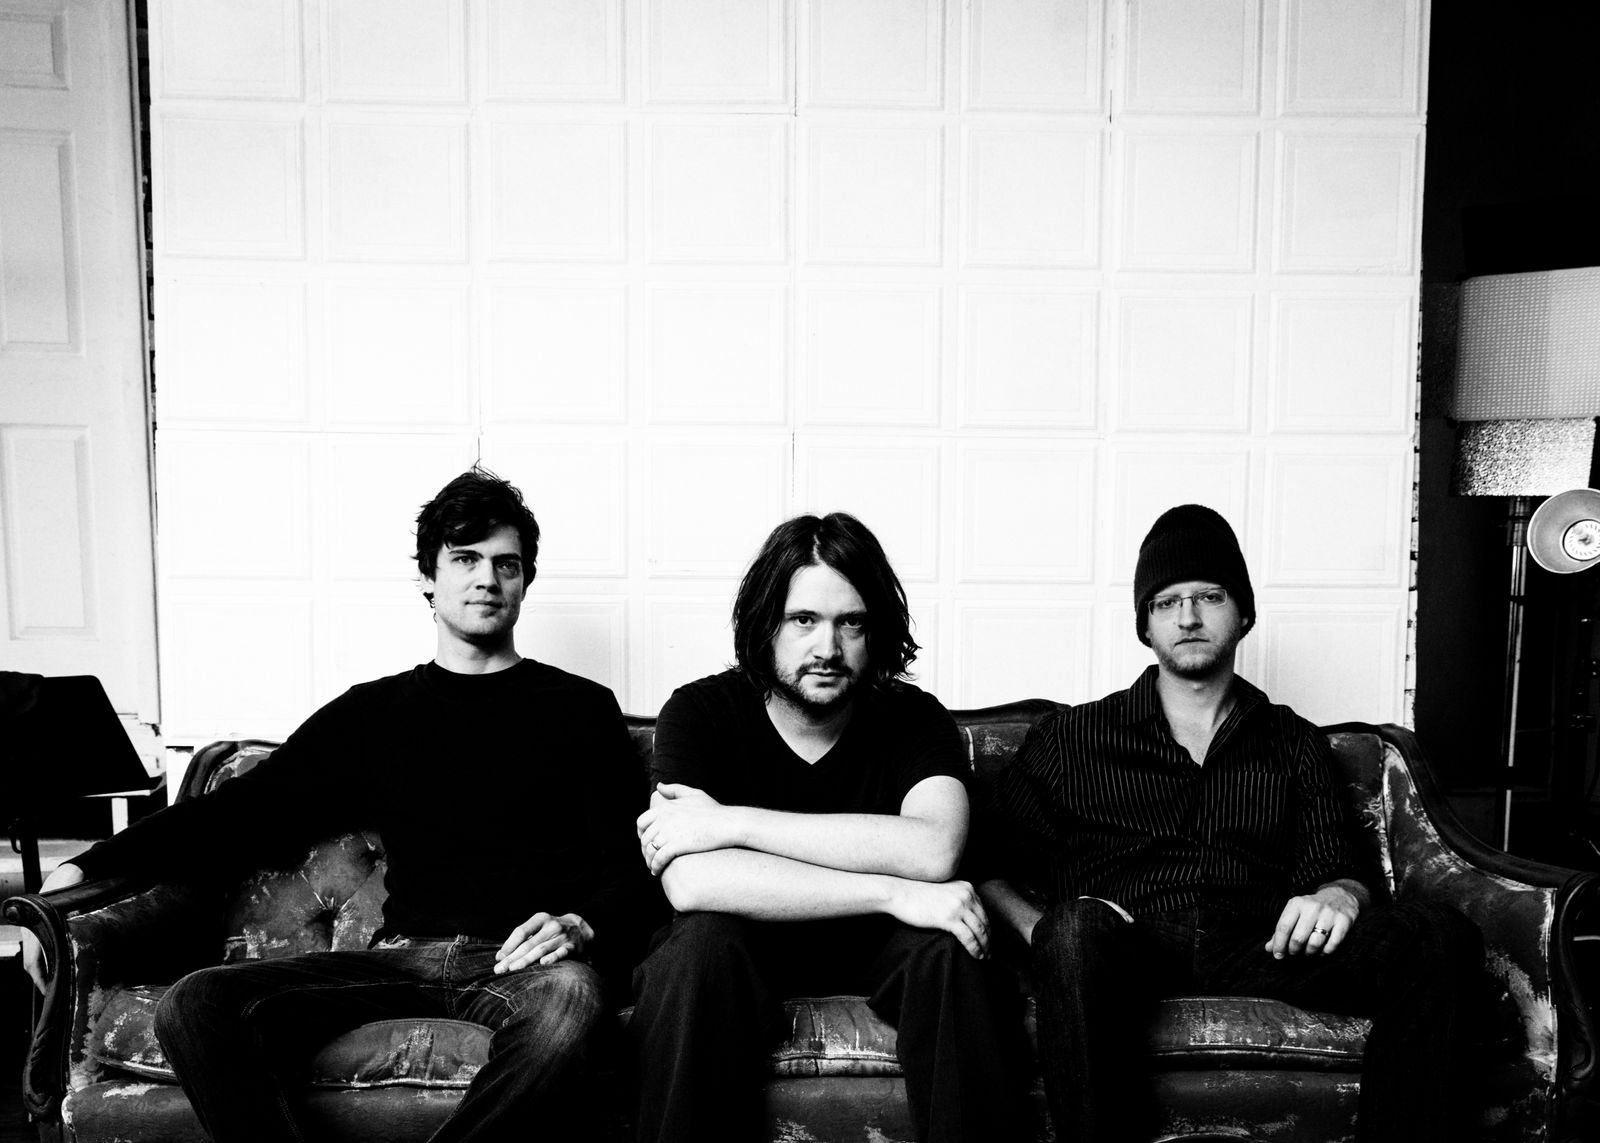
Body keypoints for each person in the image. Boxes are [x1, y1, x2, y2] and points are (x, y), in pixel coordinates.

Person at [22, 466, 661, 1143]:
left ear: (525, 581)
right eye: (465, 559)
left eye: (507, 564)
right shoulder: (374, 713)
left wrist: (580, 924)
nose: (487, 578)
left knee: (570, 1003)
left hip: (519, 963)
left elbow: (631, 866)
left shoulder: (580, 710)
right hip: (399, 959)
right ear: (428, 577)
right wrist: (88, 865)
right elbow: (239, 812)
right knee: (196, 1002)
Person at [977, 503, 1482, 1143]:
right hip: (1123, 947)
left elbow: (1338, 866)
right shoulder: (1071, 738)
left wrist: (1338, 896)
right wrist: (1047, 933)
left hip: (1263, 944)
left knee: (1437, 934)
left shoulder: (1293, 741)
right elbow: (988, 864)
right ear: (1145, 626)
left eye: (1209, 597)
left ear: (1242, 614)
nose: (1188, 617)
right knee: (1074, 930)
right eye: (1167, 602)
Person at [629, 512, 1027, 1143]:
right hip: (742, 946)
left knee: (950, 948)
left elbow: (934, 851)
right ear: (766, 624)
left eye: (852, 623)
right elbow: (693, 882)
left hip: (882, 947)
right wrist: (891, 889)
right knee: (696, 949)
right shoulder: (701, 712)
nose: (828, 648)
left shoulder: (914, 718)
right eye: (804, 620)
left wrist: (731, 823)